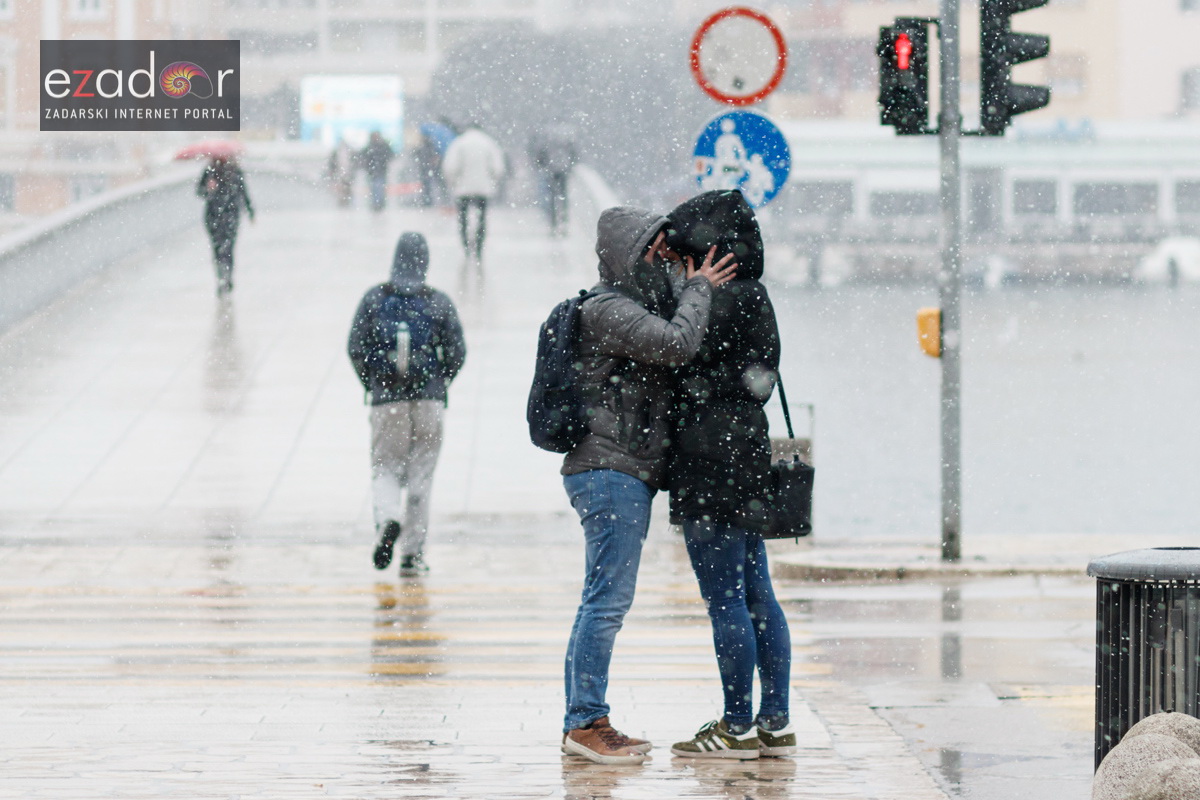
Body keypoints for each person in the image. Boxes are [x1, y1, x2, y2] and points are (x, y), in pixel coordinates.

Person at [559, 206, 737, 765]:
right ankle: (585, 722)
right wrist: (700, 287)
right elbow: (677, 343)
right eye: (655, 250)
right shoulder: (609, 310)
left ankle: (585, 717)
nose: (664, 259)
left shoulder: (626, 305)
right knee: (605, 601)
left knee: (604, 598)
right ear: (629, 255)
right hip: (608, 472)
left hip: (620, 471)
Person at [662, 190, 795, 760]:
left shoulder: (710, 302)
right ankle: (775, 720)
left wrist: (692, 294)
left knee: (725, 599)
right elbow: (758, 373)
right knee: (758, 592)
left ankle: (736, 724)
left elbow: (675, 357)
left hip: (706, 458)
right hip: (747, 454)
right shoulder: (756, 296)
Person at [347, 232, 467, 577]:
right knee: (421, 476)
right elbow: (458, 352)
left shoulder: (375, 298)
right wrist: (438, 382)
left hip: (387, 401)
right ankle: (412, 555)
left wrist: (373, 383)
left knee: (385, 467)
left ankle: (388, 519)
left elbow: (355, 347)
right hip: (428, 400)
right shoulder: (438, 302)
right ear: (424, 262)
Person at [441, 123, 506, 261]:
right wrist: (493, 181)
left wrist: (453, 182)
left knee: (463, 217)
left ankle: (465, 244)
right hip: (483, 188)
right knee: (481, 217)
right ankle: (479, 245)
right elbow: (498, 167)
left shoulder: (459, 143)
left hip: (462, 188)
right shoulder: (488, 142)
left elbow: (450, 166)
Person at [196, 156, 254, 296]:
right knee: (221, 249)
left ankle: (225, 278)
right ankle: (223, 278)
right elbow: (199, 191)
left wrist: (249, 210)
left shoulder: (234, 172)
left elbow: (243, 192)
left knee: (225, 248)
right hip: (217, 216)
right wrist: (208, 189)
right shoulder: (210, 172)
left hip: (228, 216)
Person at [532, 128, 578, 235]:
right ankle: (563, 222)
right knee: (563, 197)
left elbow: (540, 156)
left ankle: (554, 224)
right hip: (563, 170)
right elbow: (574, 155)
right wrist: (570, 166)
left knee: (552, 198)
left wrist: (542, 166)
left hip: (551, 171)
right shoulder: (567, 141)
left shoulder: (547, 141)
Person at [360, 132, 395, 212]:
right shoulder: (372, 147)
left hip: (379, 171)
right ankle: (377, 203)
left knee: (378, 187)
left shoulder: (380, 146)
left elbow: (390, 155)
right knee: (376, 188)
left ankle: (378, 203)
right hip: (374, 172)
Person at [326, 139, 356, 207]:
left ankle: (345, 201)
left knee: (346, 188)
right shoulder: (338, 153)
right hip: (341, 173)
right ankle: (343, 201)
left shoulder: (347, 153)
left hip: (346, 173)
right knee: (342, 188)